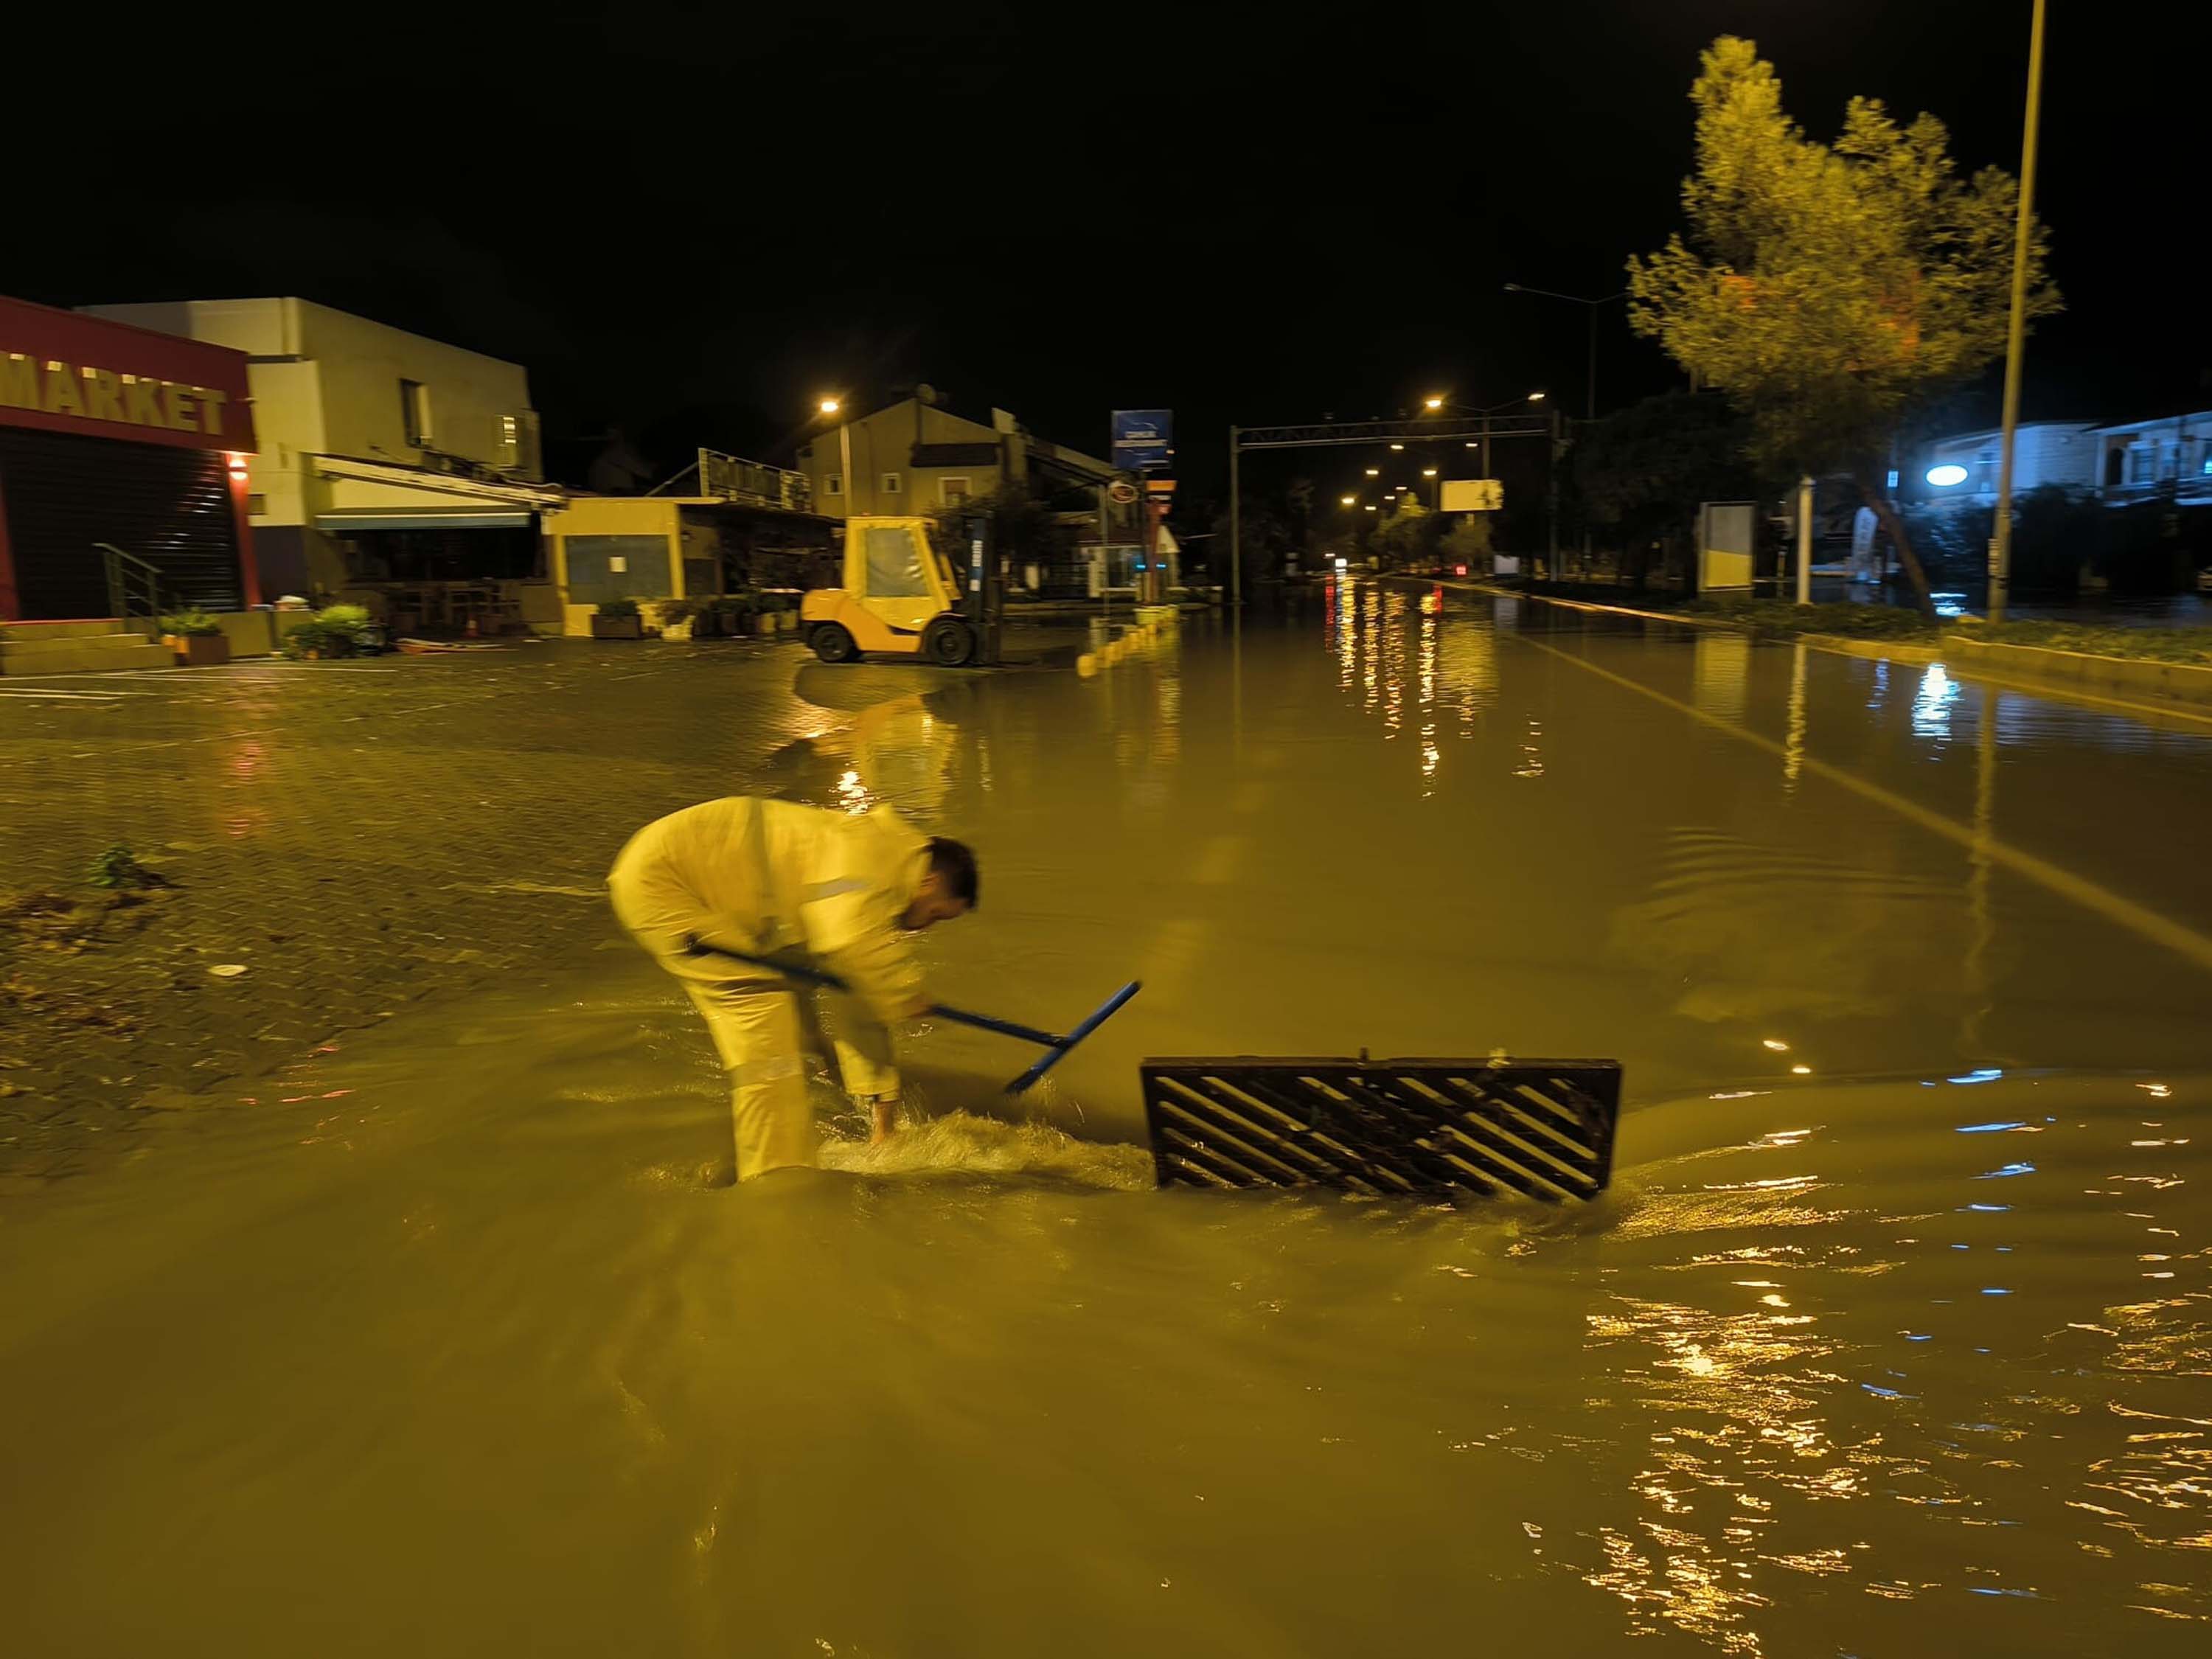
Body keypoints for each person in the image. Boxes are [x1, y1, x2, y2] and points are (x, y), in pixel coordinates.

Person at [608, 796, 978, 1180]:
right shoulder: (871, 867)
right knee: (763, 1017)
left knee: (798, 987)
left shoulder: (882, 870)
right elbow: (848, 944)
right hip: (668, 884)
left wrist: (885, 1121)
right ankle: (778, 1179)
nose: (925, 927)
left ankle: (823, 1070)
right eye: (935, 913)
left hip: (701, 888)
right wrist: (903, 994)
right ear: (930, 882)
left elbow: (859, 997)